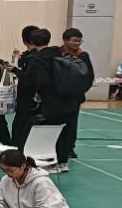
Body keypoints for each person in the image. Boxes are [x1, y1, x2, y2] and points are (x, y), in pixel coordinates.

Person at [40, 28, 94, 172]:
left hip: (74, 100)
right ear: (65, 40)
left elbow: (89, 77)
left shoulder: (83, 56)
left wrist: (78, 92)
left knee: (70, 127)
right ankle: (51, 155)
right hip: (55, 99)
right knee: (54, 128)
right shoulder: (55, 53)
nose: (77, 44)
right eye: (74, 41)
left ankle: (66, 154)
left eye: (79, 41)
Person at [11, 27, 50, 148]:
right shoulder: (30, 56)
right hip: (33, 98)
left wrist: (14, 70)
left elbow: (29, 78)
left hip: (30, 98)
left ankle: (20, 148)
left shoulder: (35, 58)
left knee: (23, 124)